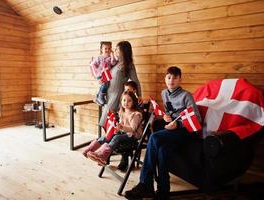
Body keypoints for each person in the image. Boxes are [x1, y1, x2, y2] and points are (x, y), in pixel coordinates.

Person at [124, 66, 202, 200]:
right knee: (162, 150)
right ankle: (163, 191)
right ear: (165, 79)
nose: (171, 80)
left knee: (154, 137)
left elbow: (197, 119)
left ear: (180, 79)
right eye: (169, 77)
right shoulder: (164, 93)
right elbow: (170, 112)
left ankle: (146, 184)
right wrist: (166, 117)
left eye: (175, 77)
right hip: (171, 129)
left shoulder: (186, 96)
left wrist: (178, 123)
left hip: (185, 131)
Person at [83, 91, 143, 166]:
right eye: (124, 100)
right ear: (121, 101)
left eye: (129, 100)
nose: (126, 102)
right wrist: (118, 129)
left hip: (132, 136)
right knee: (107, 136)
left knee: (116, 138)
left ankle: (103, 155)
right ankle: (90, 149)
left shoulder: (135, 114)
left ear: (133, 102)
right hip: (124, 133)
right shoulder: (122, 112)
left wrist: (122, 127)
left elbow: (133, 129)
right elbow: (121, 125)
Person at [98, 41, 142, 128]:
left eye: (118, 49)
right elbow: (109, 78)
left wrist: (139, 95)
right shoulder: (114, 63)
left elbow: (135, 81)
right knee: (106, 123)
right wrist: (102, 80)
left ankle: (110, 140)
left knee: (107, 122)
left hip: (116, 97)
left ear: (124, 51)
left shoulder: (129, 65)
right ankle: (108, 140)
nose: (115, 51)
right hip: (109, 96)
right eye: (116, 49)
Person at [90, 41, 117, 106]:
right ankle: (100, 96)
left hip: (106, 74)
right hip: (100, 74)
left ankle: (99, 96)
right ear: (101, 49)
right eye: (105, 48)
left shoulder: (110, 58)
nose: (107, 50)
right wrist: (96, 77)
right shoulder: (99, 57)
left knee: (106, 85)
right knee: (104, 84)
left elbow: (113, 63)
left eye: (109, 48)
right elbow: (93, 65)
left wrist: (113, 55)